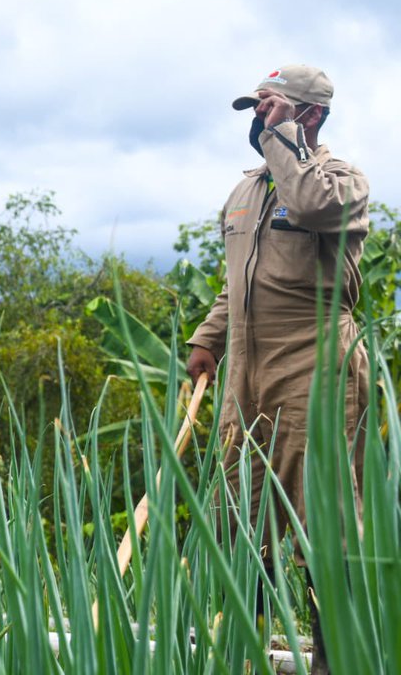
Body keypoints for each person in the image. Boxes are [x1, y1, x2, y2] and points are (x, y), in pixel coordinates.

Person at [186, 65, 369, 673]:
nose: (258, 120)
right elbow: (234, 282)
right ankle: (246, 651)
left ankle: (333, 659)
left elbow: (312, 204)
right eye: (256, 110)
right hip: (248, 374)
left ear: (309, 115)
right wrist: (208, 340)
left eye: (271, 108)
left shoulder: (340, 182)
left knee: (328, 522)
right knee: (238, 518)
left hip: (315, 368)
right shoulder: (244, 192)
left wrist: (286, 143)